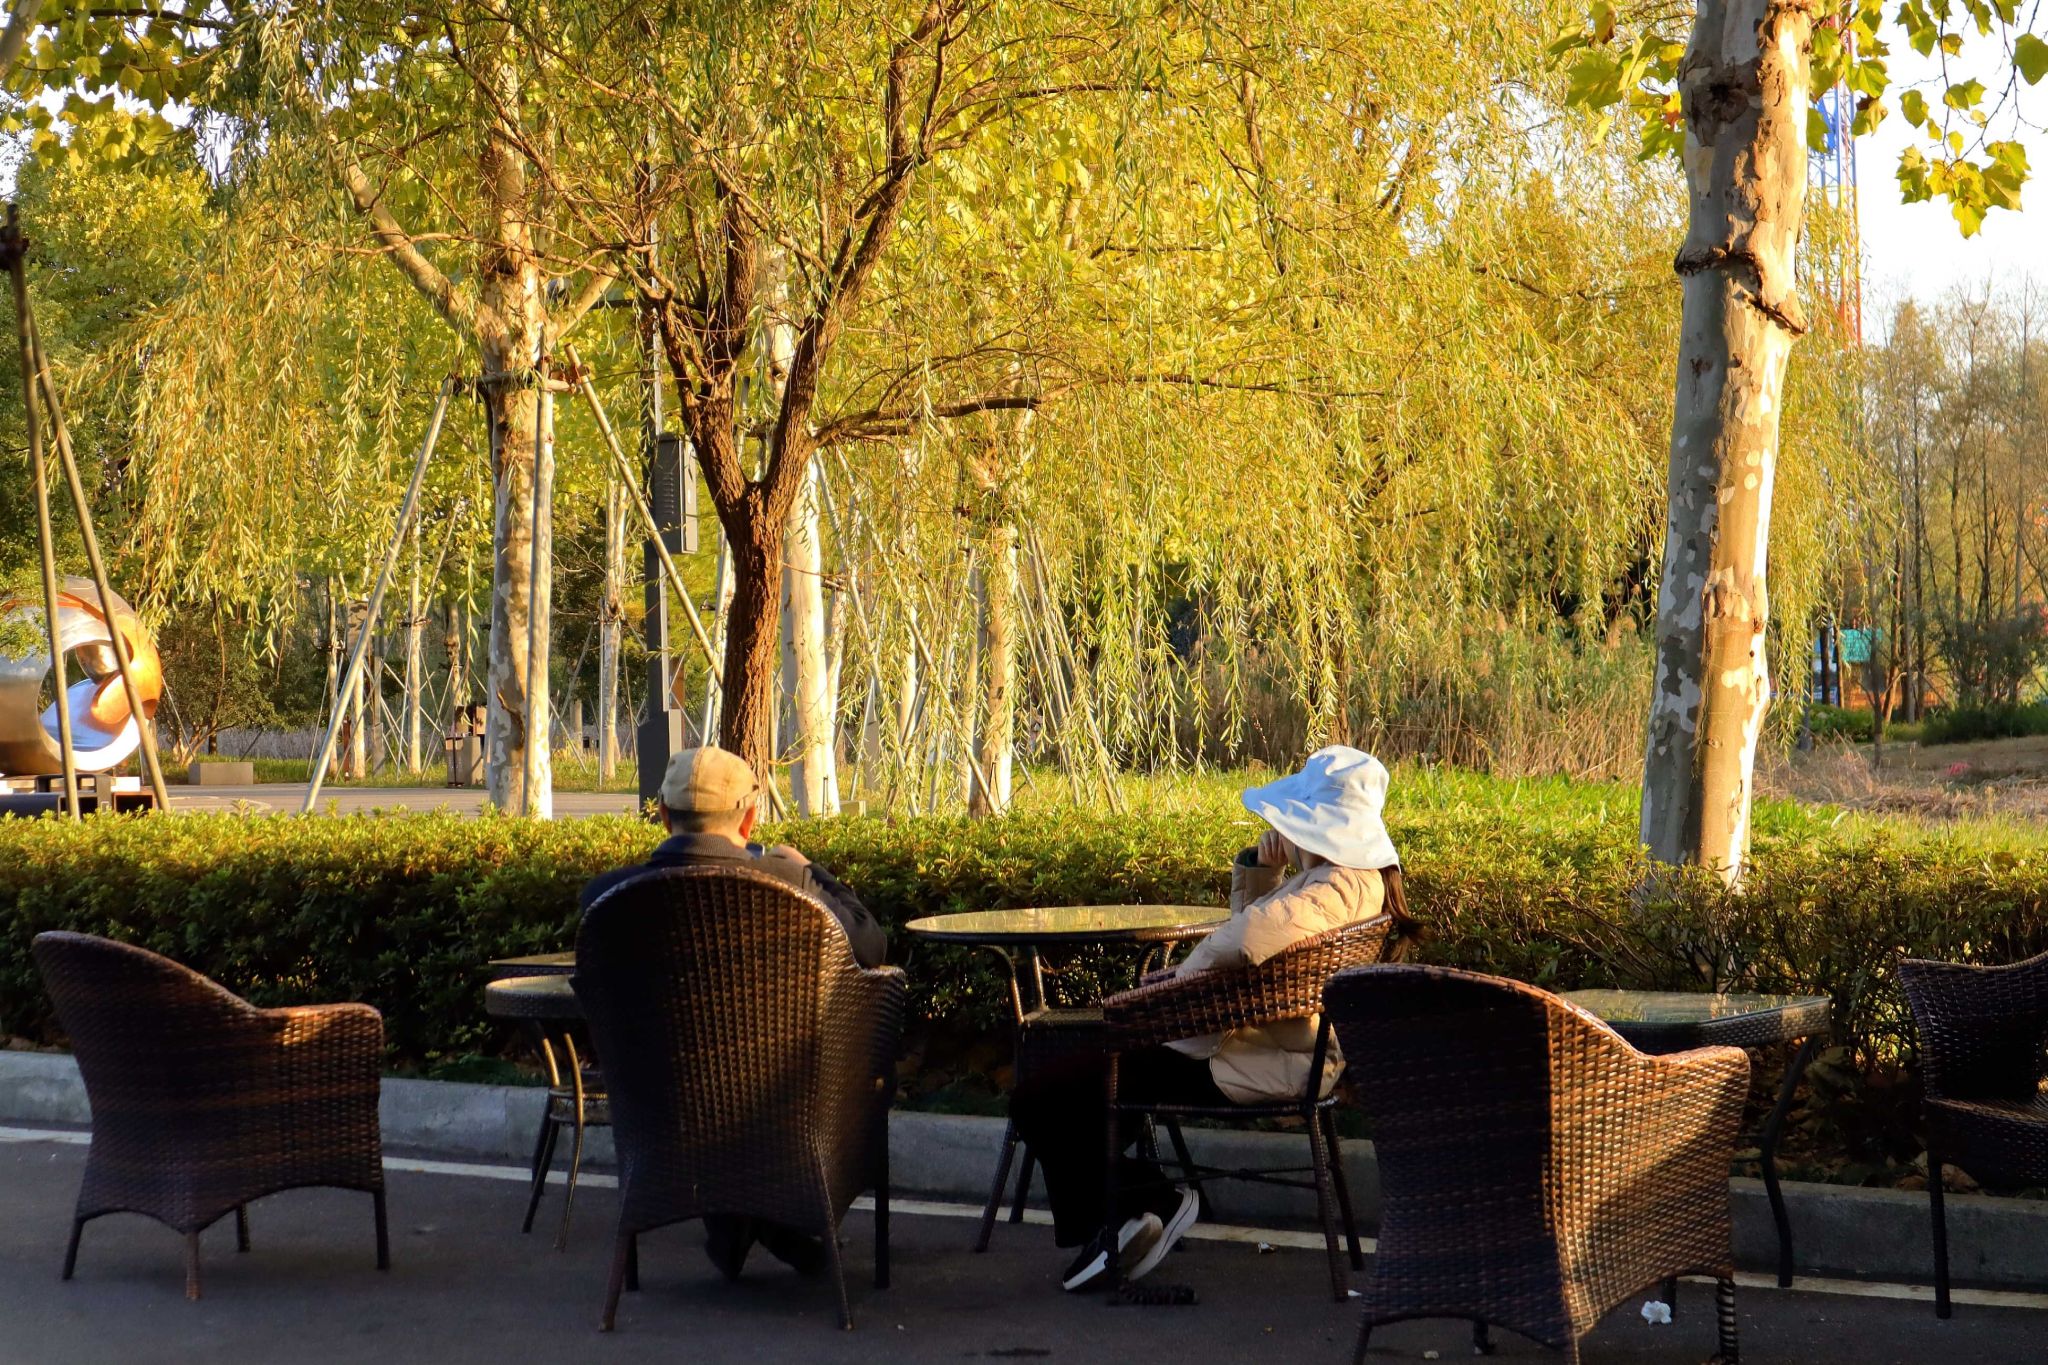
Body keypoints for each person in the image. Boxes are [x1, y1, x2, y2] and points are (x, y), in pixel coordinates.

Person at [1008, 745, 1411, 1292]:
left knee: (1038, 1099)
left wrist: (1176, 985)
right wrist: (1261, 872)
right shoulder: (1351, 881)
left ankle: (1145, 1205)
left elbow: (1242, 941)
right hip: (1260, 1049)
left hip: (1238, 1058)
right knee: (1076, 1091)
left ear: (1316, 827)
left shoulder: (1334, 887)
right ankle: (1130, 1211)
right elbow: (1261, 938)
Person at [579, 744, 888, 1280]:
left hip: (662, 1111)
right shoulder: (789, 882)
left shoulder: (606, 897)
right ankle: (762, 1221)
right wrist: (811, 868)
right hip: (788, 1103)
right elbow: (870, 945)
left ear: (663, 815)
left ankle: (737, 1221)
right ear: (749, 818)